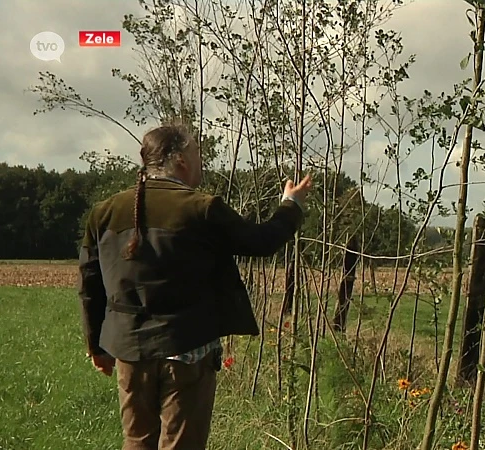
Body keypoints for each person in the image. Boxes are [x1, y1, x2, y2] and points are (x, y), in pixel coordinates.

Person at [77, 123, 311, 450]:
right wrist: (291, 205)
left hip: (129, 351)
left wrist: (96, 346)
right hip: (187, 351)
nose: (200, 161)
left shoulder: (103, 213)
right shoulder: (203, 208)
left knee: (137, 443)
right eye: (196, 153)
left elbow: (90, 285)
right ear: (181, 160)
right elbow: (261, 241)